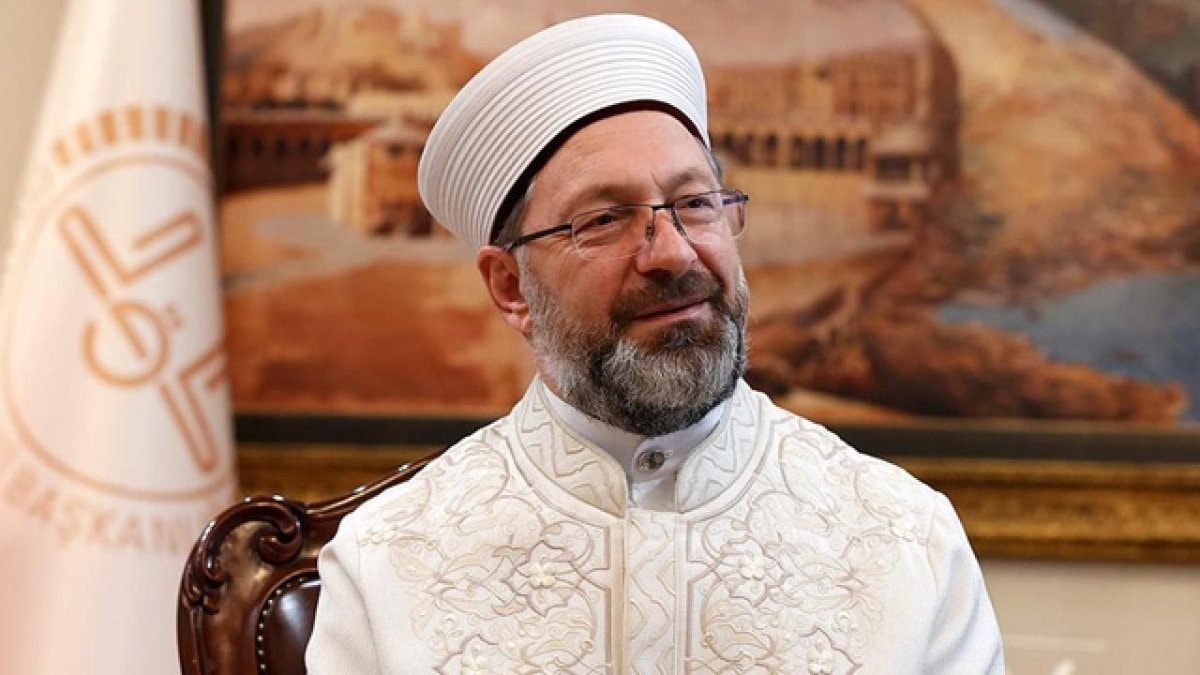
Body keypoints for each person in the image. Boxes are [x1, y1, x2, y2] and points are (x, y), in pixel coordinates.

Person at [306, 13, 1004, 674]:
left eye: (695, 203)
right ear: (511, 287)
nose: (672, 253)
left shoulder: (908, 540)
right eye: (605, 219)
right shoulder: (387, 565)